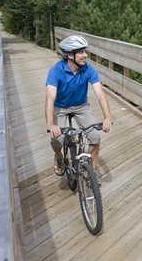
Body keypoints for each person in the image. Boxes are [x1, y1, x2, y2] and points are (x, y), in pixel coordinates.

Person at [45, 35, 112, 175]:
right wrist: (51, 124)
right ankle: (58, 156)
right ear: (70, 55)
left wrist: (107, 117)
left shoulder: (88, 69)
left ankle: (92, 172)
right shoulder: (56, 70)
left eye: (85, 51)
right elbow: (50, 98)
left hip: (81, 106)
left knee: (95, 136)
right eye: (81, 52)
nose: (85, 55)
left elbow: (100, 94)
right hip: (61, 107)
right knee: (57, 138)